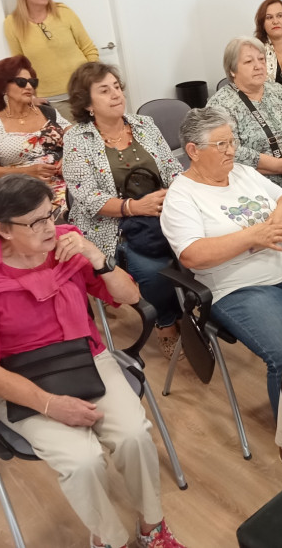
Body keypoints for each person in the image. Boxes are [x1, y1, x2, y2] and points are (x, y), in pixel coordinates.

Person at [0, 175, 186, 548]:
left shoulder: (68, 245)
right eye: (35, 222)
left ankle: (152, 527)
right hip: (18, 378)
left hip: (85, 358)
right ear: (3, 229)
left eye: (51, 213)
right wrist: (51, 405)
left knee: (133, 435)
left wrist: (97, 258)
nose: (50, 227)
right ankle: (108, 540)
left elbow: (131, 296)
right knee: (81, 461)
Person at [160, 106, 282, 422]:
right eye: (222, 145)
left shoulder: (242, 173)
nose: (233, 150)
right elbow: (191, 254)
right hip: (241, 285)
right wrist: (252, 236)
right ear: (193, 150)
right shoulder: (181, 197)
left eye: (232, 141)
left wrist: (278, 218)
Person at [63, 62, 184, 359]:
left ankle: (197, 311)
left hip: (162, 211)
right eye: (105, 90)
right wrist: (133, 207)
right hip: (113, 227)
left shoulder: (144, 124)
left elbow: (173, 169)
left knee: (200, 249)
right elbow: (86, 196)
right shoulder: (77, 138)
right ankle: (167, 323)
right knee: (152, 270)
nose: (116, 94)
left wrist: (172, 193)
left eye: (117, 87)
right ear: (87, 103)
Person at [208, 36, 282, 208]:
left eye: (261, 59)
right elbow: (228, 151)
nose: (258, 66)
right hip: (260, 180)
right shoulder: (220, 104)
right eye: (249, 61)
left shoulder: (276, 89)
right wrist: (278, 166)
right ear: (232, 70)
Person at [0, 55, 71, 209]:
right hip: (25, 190)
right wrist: (27, 172)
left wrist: (69, 158)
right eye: (21, 82)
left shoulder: (48, 112)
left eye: (32, 82)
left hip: (69, 181)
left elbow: (79, 138)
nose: (29, 87)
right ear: (3, 86)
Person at [3, 0, 99, 121]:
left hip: (84, 91)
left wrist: (94, 81)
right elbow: (19, 68)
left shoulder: (64, 12)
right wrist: (30, 97)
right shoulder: (12, 23)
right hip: (51, 100)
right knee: (71, 142)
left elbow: (89, 49)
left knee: (101, 136)